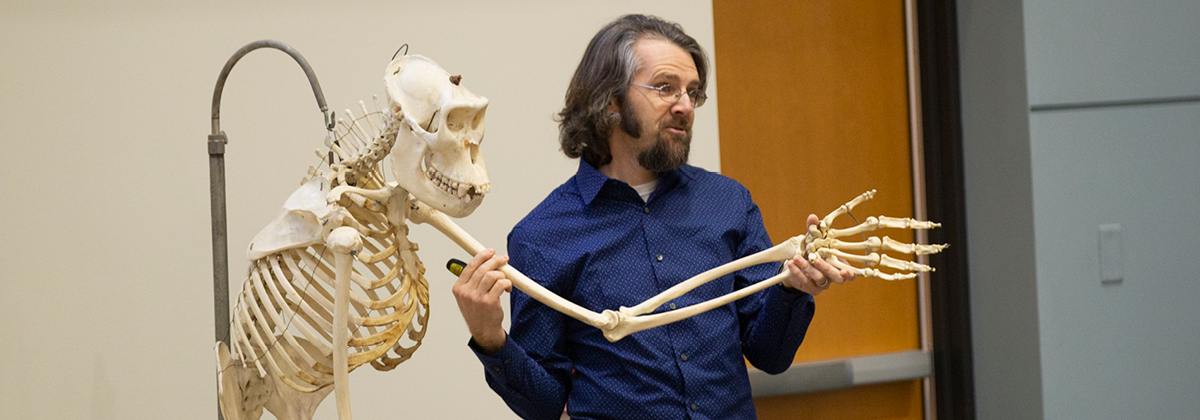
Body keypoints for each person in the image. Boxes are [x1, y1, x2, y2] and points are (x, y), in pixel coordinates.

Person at [451, 14, 853, 420]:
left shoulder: (728, 202)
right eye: (665, 88)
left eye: (692, 92)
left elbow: (770, 355)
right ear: (610, 100)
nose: (685, 106)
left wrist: (793, 290)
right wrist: (491, 340)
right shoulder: (543, 236)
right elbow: (545, 404)